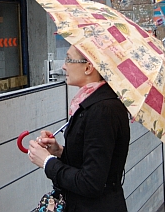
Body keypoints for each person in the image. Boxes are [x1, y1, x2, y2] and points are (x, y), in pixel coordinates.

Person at [28, 44, 130, 212]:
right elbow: (91, 158)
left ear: (88, 67)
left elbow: (91, 182)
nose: (63, 65)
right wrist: (59, 151)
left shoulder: (102, 110)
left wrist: (47, 162)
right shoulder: (92, 103)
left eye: (69, 59)